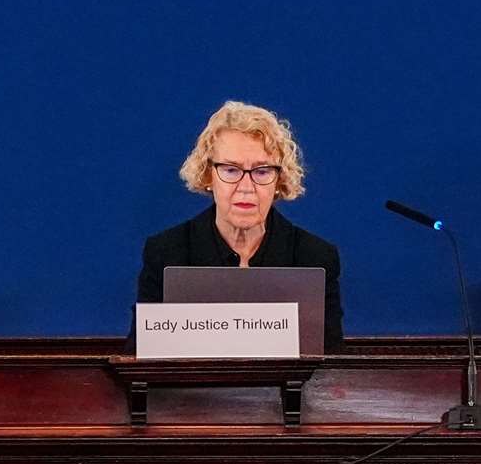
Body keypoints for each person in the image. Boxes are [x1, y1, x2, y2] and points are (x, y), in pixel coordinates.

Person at [134, 100, 342, 351]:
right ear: (208, 175)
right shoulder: (166, 252)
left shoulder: (314, 257)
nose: (246, 187)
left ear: (279, 180)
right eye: (231, 170)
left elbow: (332, 370)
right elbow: (140, 359)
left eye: (262, 172)